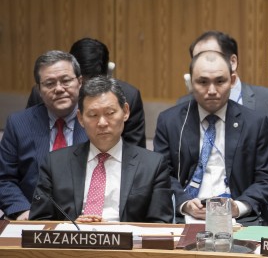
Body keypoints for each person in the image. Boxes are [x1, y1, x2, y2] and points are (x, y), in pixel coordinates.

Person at [179, 31, 268, 226]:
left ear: (232, 62)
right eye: (197, 60)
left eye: (211, 56)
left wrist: (260, 181)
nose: (205, 64)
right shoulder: (184, 108)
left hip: (258, 188)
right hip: (199, 197)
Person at [153, 51, 268, 225]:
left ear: (232, 81)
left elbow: (267, 180)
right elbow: (162, 175)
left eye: (220, 81)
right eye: (203, 82)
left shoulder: (255, 123)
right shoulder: (170, 121)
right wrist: (185, 204)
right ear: (191, 83)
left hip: (238, 218)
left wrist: (239, 207)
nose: (212, 91)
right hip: (184, 216)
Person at [29, 76, 172, 223]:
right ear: (80, 118)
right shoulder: (55, 163)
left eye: (110, 113)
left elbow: (160, 225)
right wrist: (71, 229)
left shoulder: (152, 165)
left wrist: (112, 231)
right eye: (93, 115)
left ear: (125, 112)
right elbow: (39, 222)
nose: (102, 123)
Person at [0, 51, 88, 220]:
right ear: (39, 90)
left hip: (84, 218)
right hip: (30, 216)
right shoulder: (18, 124)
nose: (59, 89)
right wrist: (22, 211)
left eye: (66, 81)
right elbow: (4, 178)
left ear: (80, 82)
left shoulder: (97, 122)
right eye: (49, 83)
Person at [26, 38, 146, 147]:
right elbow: (25, 139)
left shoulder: (128, 97)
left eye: (93, 83)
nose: (86, 90)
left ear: (107, 75)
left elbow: (135, 154)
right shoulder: (45, 94)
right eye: (81, 82)